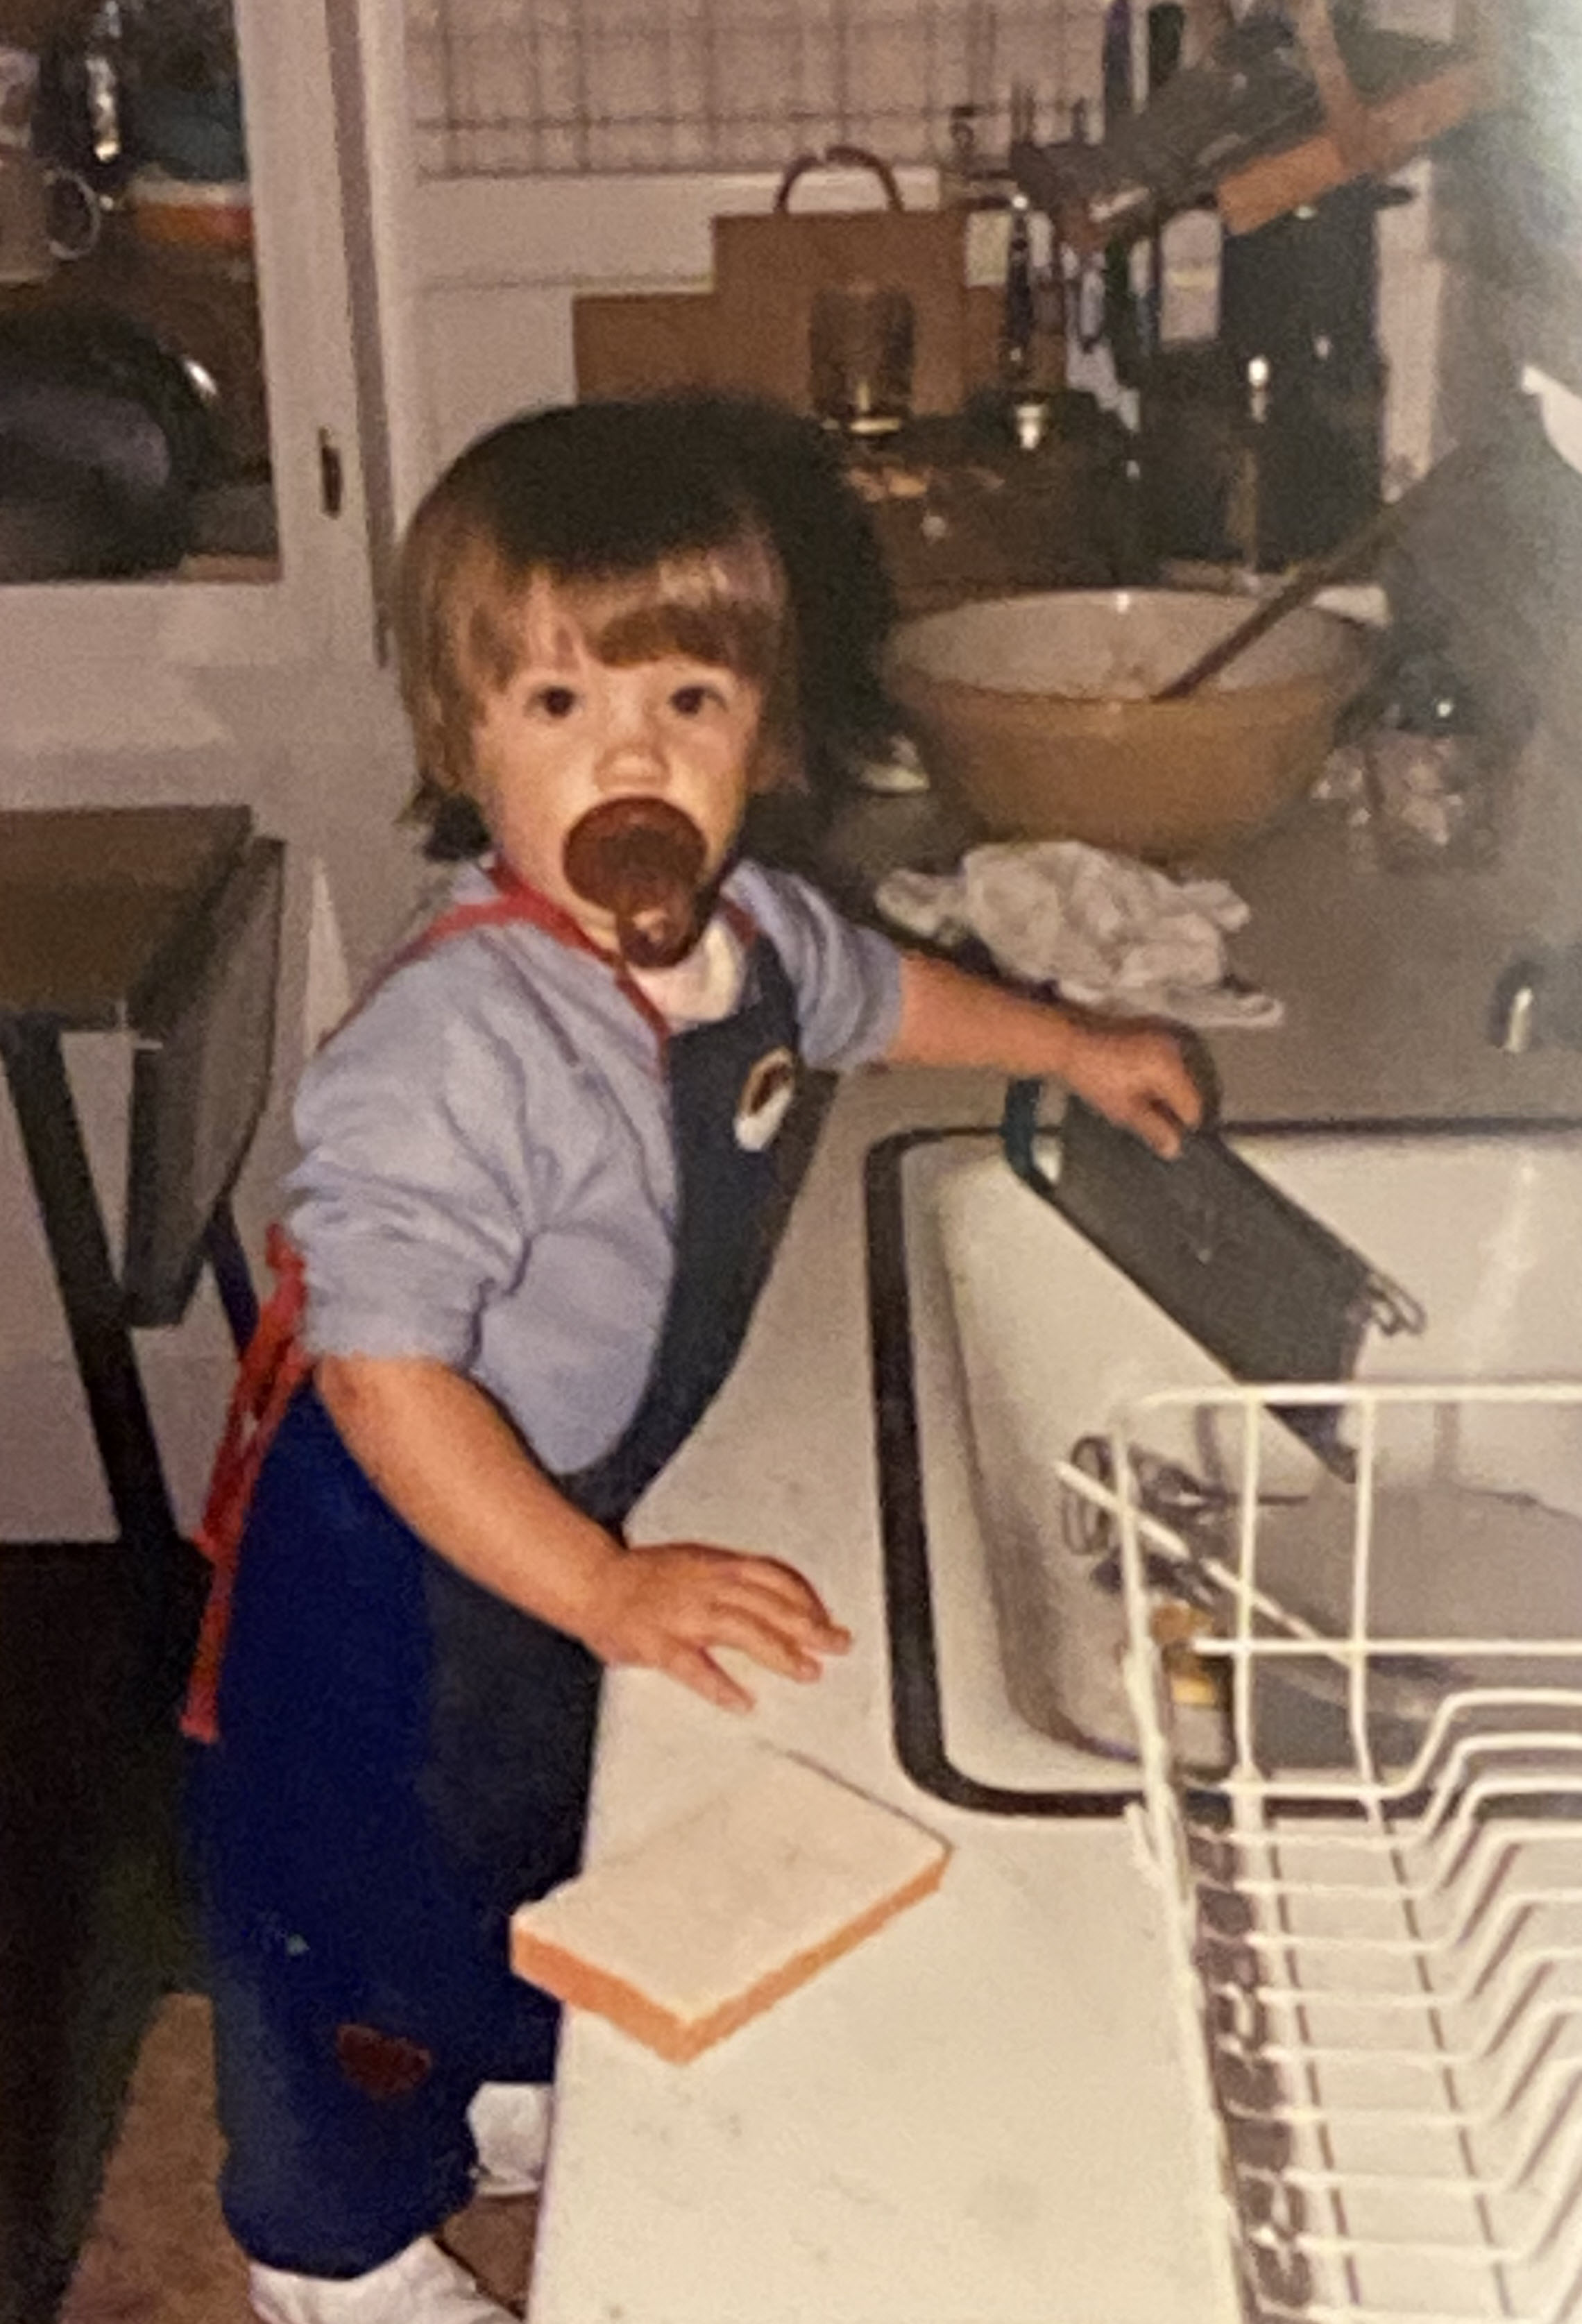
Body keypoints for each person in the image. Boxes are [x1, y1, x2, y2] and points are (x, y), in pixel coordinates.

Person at [190, 395, 1203, 2324]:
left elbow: (884, 997)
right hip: (388, 1532)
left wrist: (1068, 1045)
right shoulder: (461, 1040)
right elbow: (384, 1368)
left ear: (762, 736)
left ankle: (492, 2073)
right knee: (328, 1882)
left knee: (521, 1819)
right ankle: (328, 2248)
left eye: (685, 700)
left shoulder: (742, 936)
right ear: (463, 738)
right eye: (560, 708)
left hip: (567, 1497)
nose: (630, 754)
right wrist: (595, 1581)